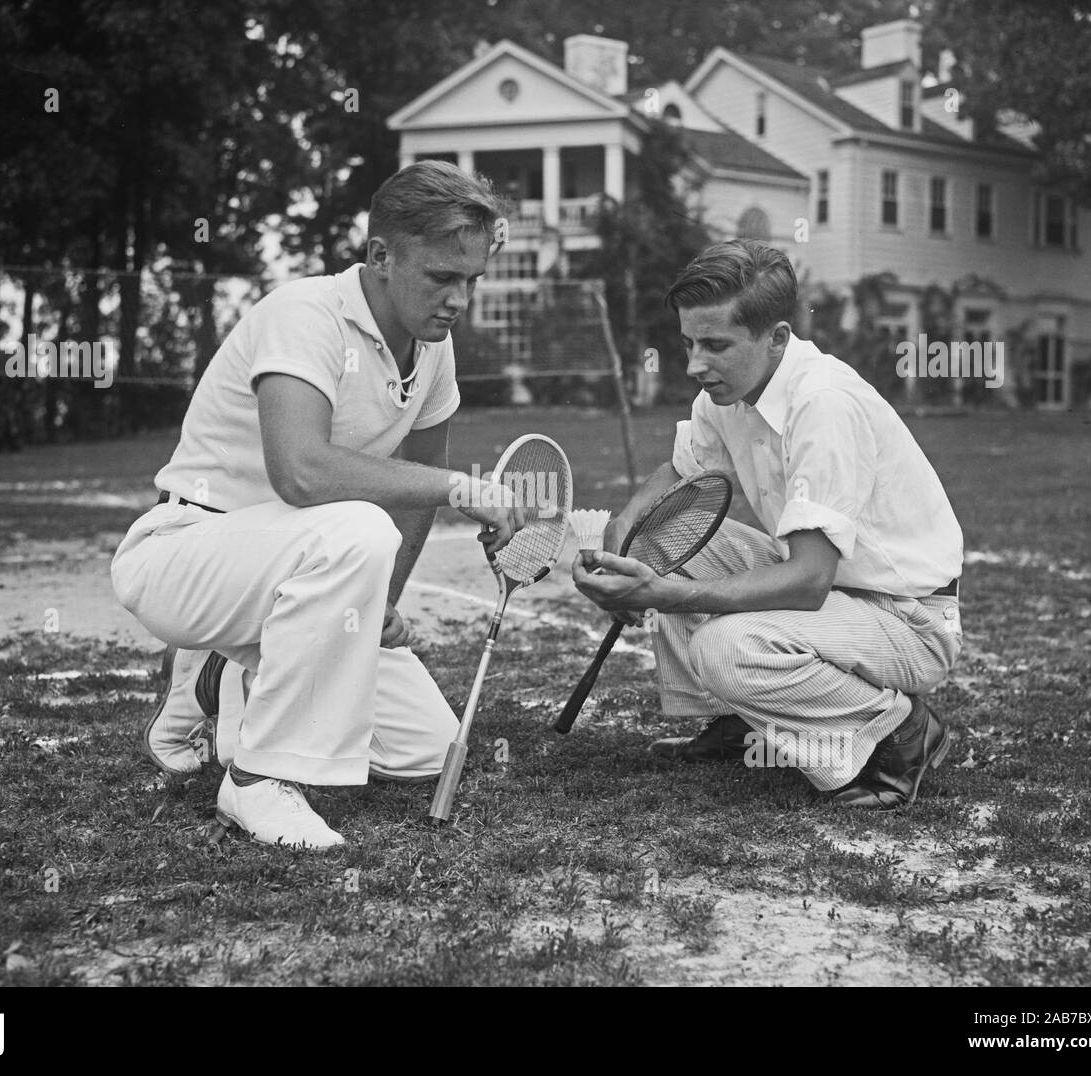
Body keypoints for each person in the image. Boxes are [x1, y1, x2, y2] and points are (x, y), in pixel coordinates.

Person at [111, 161, 524, 848]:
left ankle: (227, 679)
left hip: (302, 568)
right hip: (185, 553)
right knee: (357, 526)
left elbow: (415, 490)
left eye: (472, 280)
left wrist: (380, 604)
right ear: (381, 256)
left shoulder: (433, 349)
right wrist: (461, 489)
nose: (460, 299)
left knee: (427, 747)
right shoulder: (304, 313)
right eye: (443, 278)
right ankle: (256, 782)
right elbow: (301, 472)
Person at [572, 239, 964, 809]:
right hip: (841, 599)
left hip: (908, 619)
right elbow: (683, 474)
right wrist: (623, 535)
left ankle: (900, 732)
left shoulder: (822, 403)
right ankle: (741, 721)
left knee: (725, 647)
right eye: (687, 343)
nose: (694, 365)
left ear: (776, 338)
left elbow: (808, 580)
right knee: (659, 535)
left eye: (715, 345)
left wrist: (664, 594)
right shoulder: (725, 392)